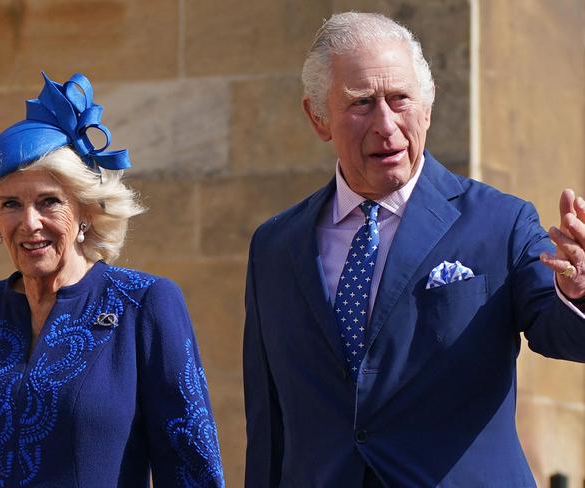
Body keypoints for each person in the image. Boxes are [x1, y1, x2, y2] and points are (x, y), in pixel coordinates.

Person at [243, 12, 585, 487]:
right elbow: (268, 420)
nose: (386, 124)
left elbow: (563, 334)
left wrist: (580, 294)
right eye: (362, 103)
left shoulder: (499, 222)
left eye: (399, 99)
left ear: (426, 107)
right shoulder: (275, 247)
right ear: (318, 117)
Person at [0, 72, 225, 487]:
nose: (29, 223)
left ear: (86, 212)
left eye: (49, 201)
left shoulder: (143, 304)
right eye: (11, 204)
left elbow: (191, 468)